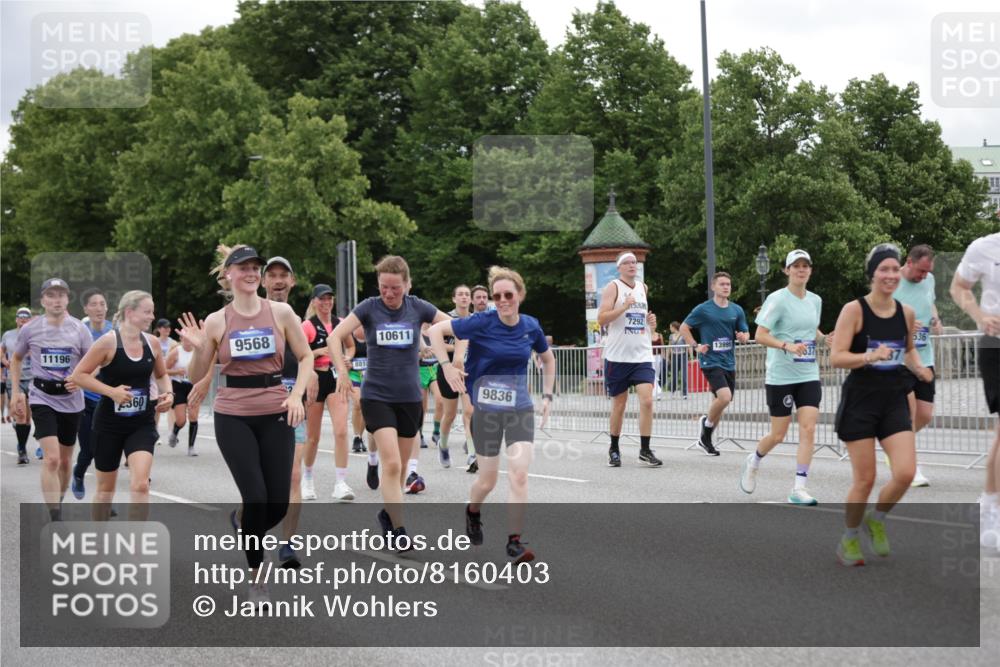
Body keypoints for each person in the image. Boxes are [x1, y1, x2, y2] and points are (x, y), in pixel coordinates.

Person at [177, 245, 310, 606]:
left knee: (278, 505)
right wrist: (201, 345)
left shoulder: (281, 312)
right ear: (229, 276)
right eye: (244, 268)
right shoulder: (218, 320)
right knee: (256, 496)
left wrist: (296, 395)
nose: (251, 273)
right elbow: (195, 374)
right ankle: (258, 580)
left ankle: (242, 520)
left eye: (256, 268)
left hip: (276, 409)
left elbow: (306, 356)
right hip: (233, 414)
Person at [431, 266, 555, 563]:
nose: (502, 300)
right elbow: (435, 331)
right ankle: (472, 511)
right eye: (497, 295)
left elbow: (547, 359)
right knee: (487, 481)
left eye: (508, 295)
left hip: (519, 407)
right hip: (485, 410)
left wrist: (548, 395)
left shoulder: (530, 326)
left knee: (519, 473)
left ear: (519, 295)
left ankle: (514, 541)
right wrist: (447, 367)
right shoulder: (480, 322)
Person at [329, 255, 452, 552]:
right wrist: (343, 373)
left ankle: (387, 513)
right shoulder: (369, 308)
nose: (389, 293)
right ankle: (399, 530)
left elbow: (454, 326)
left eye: (395, 288)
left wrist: (454, 359)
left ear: (408, 285)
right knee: (393, 464)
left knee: (401, 464)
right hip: (377, 396)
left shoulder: (418, 307)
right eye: (384, 287)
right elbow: (336, 337)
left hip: (410, 398)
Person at [830, 243, 933, 567]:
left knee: (904, 473)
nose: (890, 275)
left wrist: (919, 367)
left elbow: (908, 350)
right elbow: (836, 357)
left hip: (894, 399)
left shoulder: (906, 313)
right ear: (872, 274)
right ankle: (848, 539)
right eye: (883, 269)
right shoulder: (854, 310)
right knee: (865, 479)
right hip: (861, 402)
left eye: (893, 269)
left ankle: (877, 519)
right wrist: (868, 357)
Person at [68, 291, 173, 521]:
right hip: (109, 424)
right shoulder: (108, 342)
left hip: (141, 423)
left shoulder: (152, 343)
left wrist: (168, 393)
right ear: (130, 312)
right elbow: (79, 376)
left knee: (140, 485)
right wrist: (111, 392)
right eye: (147, 311)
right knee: (105, 491)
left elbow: (162, 375)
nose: (152, 317)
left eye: (152, 311)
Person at [739, 250, 829, 505]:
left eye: (805, 266)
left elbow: (810, 328)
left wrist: (824, 338)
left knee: (809, 428)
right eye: (796, 266)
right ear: (787, 270)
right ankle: (754, 460)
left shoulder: (815, 300)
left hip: (808, 372)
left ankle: (799, 488)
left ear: (810, 270)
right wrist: (786, 346)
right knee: (778, 434)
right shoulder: (777, 300)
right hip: (781, 375)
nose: (801, 270)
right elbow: (760, 334)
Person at [10, 278, 93, 520]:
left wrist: (80, 379)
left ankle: (58, 499)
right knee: (52, 458)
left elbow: (94, 363)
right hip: (42, 397)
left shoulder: (79, 329)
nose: (56, 300)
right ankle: (55, 515)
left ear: (68, 299)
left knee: (66, 462)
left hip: (72, 400)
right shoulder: (31, 329)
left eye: (61, 295)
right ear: (42, 301)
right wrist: (16, 391)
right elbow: (16, 359)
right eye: (51, 295)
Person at [261, 256, 317, 569]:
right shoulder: (251, 315)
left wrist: (307, 382)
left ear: (292, 282)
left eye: (285, 275)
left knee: (293, 475)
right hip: (258, 406)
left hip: (293, 404)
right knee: (262, 482)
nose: (279, 280)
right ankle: (244, 520)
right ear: (264, 281)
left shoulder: (297, 320)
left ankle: (288, 544)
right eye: (273, 276)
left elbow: (305, 357)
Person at [949, 231, 1000, 552]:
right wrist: (980, 316)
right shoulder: (983, 247)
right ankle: (991, 508)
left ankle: (989, 502)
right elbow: (958, 287)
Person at [598, 251, 662, 468]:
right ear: (619, 267)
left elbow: (642, 319)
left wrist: (651, 322)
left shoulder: (643, 288)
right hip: (617, 356)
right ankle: (614, 448)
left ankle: (645, 449)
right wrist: (624, 306)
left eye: (634, 262)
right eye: (627, 262)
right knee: (619, 404)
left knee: (647, 400)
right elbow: (602, 318)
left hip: (642, 355)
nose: (632, 265)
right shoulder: (613, 287)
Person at [678, 272, 750, 455]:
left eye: (728, 284)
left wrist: (743, 337)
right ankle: (706, 425)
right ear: (713, 287)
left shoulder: (736, 310)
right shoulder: (703, 309)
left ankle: (706, 440)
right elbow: (684, 328)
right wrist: (696, 345)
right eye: (722, 284)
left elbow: (745, 333)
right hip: (710, 360)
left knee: (721, 402)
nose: (726, 287)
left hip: (729, 361)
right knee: (724, 397)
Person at [890, 244, 943, 487]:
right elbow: (881, 315)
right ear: (908, 262)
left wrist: (935, 319)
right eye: (920, 271)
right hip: (899, 359)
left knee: (924, 414)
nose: (923, 276)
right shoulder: (892, 281)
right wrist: (906, 327)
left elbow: (929, 302)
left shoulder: (929, 279)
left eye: (926, 272)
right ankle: (910, 467)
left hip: (925, 357)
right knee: (909, 412)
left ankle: (895, 444)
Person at [301, 283, 354, 502]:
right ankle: (307, 479)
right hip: (314, 379)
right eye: (322, 299)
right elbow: (299, 354)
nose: (326, 302)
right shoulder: (307, 326)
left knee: (341, 431)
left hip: (335, 378)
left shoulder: (340, 323)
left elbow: (351, 346)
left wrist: (347, 358)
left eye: (330, 298)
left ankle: (340, 483)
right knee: (313, 437)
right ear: (314, 302)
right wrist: (317, 351)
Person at [71, 289, 114, 499]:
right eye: (94, 304)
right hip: (85, 399)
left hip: (108, 400)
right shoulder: (80, 332)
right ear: (86, 308)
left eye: (102, 304)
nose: (99, 308)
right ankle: (78, 474)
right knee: (88, 450)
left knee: (105, 452)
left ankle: (103, 498)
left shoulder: (114, 332)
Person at [433, 285, 474, 468]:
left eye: (467, 295)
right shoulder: (446, 319)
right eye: (460, 294)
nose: (464, 297)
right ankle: (443, 445)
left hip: (468, 371)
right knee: (449, 414)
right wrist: (459, 347)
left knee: (469, 412)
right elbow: (437, 343)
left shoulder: (475, 320)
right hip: (448, 370)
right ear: (454, 299)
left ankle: (472, 453)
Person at [2, 307, 34, 463]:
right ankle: (22, 451)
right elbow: (1, 351)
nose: (23, 319)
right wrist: (5, 362)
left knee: (27, 418)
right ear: (16, 319)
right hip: (14, 379)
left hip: (33, 378)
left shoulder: (35, 335)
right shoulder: (8, 335)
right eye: (20, 317)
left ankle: (21, 436)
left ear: (30, 319)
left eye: (26, 316)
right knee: (21, 415)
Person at [165, 336, 202, 456]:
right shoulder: (176, 352)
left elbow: (205, 368)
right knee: (181, 420)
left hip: (194, 386)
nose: (189, 341)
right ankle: (174, 433)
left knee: (193, 416)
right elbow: (163, 370)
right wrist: (177, 372)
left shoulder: (198, 352)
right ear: (181, 339)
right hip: (179, 386)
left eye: (190, 339)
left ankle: (191, 447)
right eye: (186, 339)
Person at [152, 318, 176, 444]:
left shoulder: (173, 343)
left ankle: (172, 433)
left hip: (168, 377)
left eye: (169, 328)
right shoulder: (154, 341)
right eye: (165, 328)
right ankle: (155, 432)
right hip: (155, 377)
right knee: (157, 406)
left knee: (170, 406)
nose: (167, 330)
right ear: (159, 329)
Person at [667, 321, 688, 397]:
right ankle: (672, 391)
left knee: (684, 375)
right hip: (674, 356)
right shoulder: (670, 336)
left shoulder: (683, 335)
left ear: (673, 327)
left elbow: (687, 345)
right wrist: (667, 357)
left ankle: (684, 393)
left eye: (670, 327)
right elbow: (669, 347)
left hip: (683, 355)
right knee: (674, 375)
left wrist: (691, 356)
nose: (670, 328)